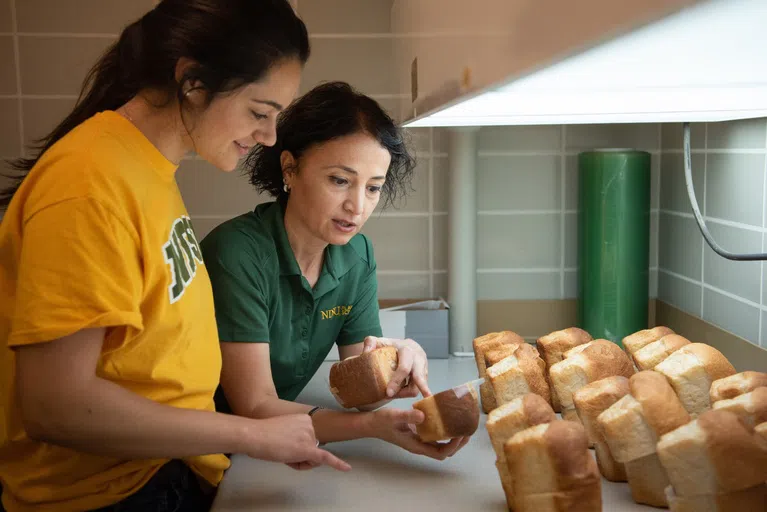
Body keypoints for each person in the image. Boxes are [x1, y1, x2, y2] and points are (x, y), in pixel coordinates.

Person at [0, 2, 351, 511]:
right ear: (193, 82)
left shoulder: (144, 165)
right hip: (107, 494)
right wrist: (251, 435)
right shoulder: (88, 184)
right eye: (259, 113)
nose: (268, 138)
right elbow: (58, 406)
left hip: (162, 469)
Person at [200, 81, 471, 461]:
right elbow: (254, 405)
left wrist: (400, 361)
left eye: (373, 188)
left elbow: (363, 394)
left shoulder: (356, 255)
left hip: (273, 447)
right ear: (289, 169)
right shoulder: (238, 252)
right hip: (202, 450)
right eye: (340, 181)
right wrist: (372, 430)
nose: (357, 207)